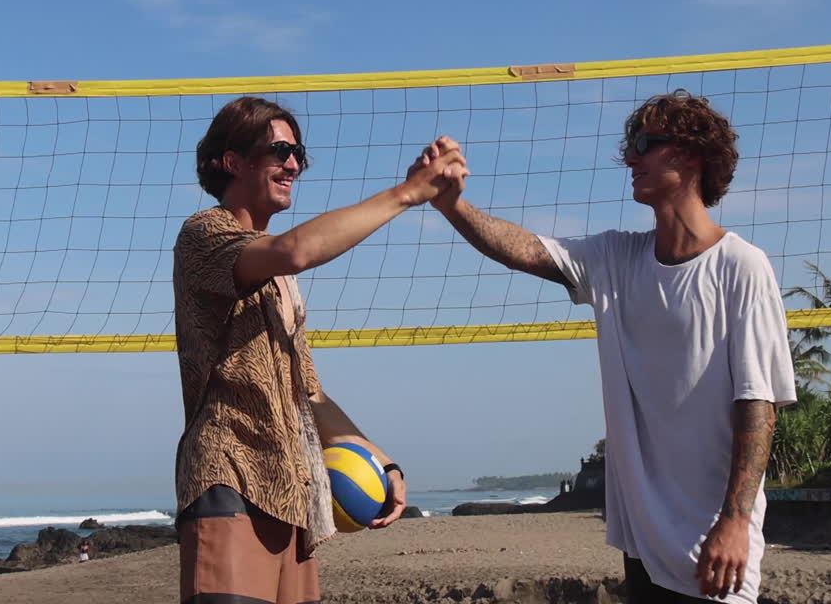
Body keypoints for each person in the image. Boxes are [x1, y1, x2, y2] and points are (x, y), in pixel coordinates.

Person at [420, 90, 795, 603]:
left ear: (688, 155)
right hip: (642, 546)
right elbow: (527, 250)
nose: (631, 158)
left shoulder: (741, 266)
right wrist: (452, 205)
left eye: (644, 143)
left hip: (714, 547)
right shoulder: (618, 257)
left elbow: (758, 406)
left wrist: (735, 522)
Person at [173, 96, 468, 604]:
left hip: (295, 493)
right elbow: (297, 249)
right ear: (233, 161)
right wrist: (406, 194)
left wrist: (382, 461)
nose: (293, 164)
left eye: (298, 154)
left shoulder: (281, 278)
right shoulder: (204, 233)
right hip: (232, 476)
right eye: (279, 150)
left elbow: (306, 392)